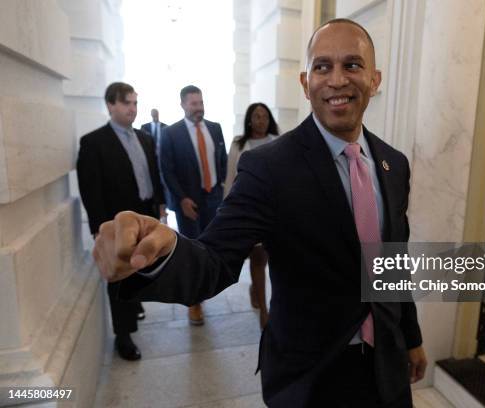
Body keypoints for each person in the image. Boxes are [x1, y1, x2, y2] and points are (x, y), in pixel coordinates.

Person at [94, 19, 427, 407]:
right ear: (306, 83)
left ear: (375, 79)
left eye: (352, 65)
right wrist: (162, 254)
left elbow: (393, 264)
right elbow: (215, 261)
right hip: (311, 375)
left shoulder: (394, 164)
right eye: (322, 67)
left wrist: (411, 337)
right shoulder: (268, 167)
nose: (337, 80)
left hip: (387, 364)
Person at [76, 82, 165, 361]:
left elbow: (154, 174)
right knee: (118, 277)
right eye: (127, 103)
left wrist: (160, 205)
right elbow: (90, 190)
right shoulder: (93, 143)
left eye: (135, 103)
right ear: (110, 105)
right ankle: (123, 337)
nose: (133, 109)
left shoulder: (145, 138)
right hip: (116, 222)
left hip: (145, 213)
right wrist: (99, 230)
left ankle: (135, 303)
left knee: (141, 264)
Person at [159, 85, 227, 326]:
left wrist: (219, 189)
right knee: (191, 252)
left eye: (201, 102)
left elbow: (222, 161)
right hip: (188, 202)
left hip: (213, 199)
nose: (199, 108)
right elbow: (166, 170)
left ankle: (206, 288)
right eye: (194, 104)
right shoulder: (170, 133)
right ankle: (194, 303)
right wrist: (181, 199)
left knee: (210, 249)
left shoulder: (215, 129)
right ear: (183, 105)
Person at [224, 102, 279, 329]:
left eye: (265, 116)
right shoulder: (239, 143)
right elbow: (230, 178)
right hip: (248, 208)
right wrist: (228, 208)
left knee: (265, 259)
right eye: (256, 116)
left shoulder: (277, 141)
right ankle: (265, 312)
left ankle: (258, 292)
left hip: (273, 209)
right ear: (249, 119)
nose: (261, 120)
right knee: (256, 258)